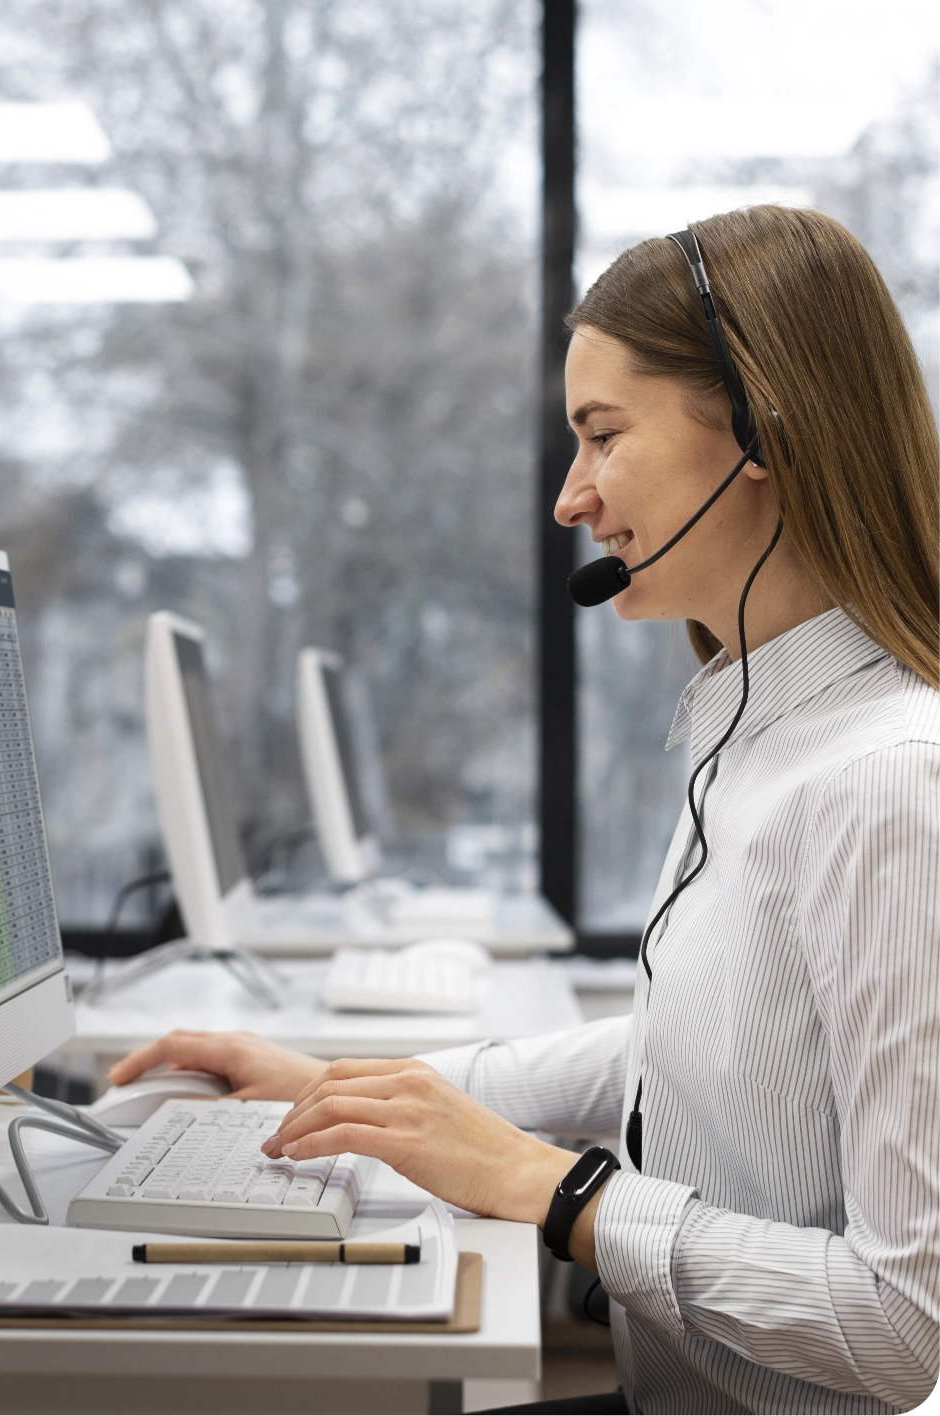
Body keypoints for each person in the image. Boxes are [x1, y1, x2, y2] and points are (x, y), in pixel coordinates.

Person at [108, 206, 940, 1415]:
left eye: (601, 437)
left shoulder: (883, 783)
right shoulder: (757, 735)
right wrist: (356, 1086)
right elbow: (703, 1049)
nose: (569, 499)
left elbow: (904, 1325)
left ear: (763, 423)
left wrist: (559, 1193)